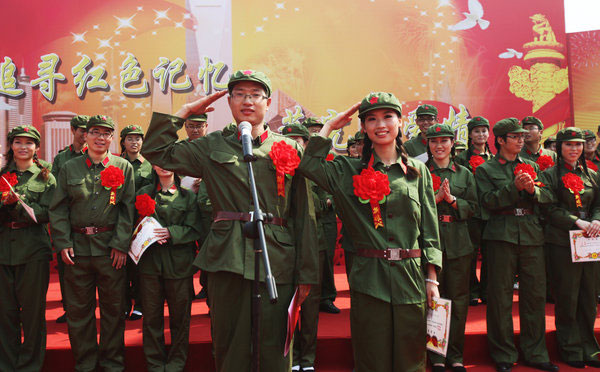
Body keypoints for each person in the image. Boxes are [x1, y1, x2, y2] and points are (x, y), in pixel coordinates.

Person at [141, 69, 318, 371]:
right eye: (239, 94)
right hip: (227, 257)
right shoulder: (212, 145)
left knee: (276, 349)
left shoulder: (289, 148)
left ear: (268, 102)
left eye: (255, 95)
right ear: (230, 101)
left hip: (277, 260)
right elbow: (158, 151)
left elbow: (304, 216)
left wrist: (307, 274)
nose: (247, 101)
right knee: (230, 346)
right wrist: (184, 113)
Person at [298, 92, 442, 371]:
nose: (381, 124)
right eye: (371, 119)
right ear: (363, 128)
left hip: (410, 275)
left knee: (411, 358)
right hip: (368, 276)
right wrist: (329, 128)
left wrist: (432, 280)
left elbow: (429, 229)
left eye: (388, 116)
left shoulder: (418, 171)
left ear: (400, 122)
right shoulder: (346, 170)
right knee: (371, 358)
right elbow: (308, 165)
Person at [49, 115, 135, 372]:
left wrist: (121, 245)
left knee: (113, 311)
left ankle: (112, 364)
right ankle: (85, 365)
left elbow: (127, 209)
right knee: (78, 313)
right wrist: (62, 242)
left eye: (106, 133)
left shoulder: (123, 167)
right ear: (84, 136)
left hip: (110, 251)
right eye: (94, 132)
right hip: (77, 251)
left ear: (111, 138)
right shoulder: (69, 168)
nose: (100, 137)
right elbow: (58, 209)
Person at [475, 118, 557, 372]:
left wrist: (533, 192)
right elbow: (486, 201)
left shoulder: (532, 166)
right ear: (500, 140)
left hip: (531, 235)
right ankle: (503, 354)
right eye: (514, 136)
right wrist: (514, 188)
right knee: (500, 297)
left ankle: (536, 352)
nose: (521, 140)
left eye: (522, 136)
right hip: (501, 235)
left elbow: (548, 197)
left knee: (534, 296)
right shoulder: (485, 170)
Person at [540, 127, 600, 368]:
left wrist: (596, 220)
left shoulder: (593, 175)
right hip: (562, 242)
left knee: (588, 296)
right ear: (559, 148)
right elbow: (548, 209)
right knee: (567, 296)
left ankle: (590, 348)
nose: (574, 149)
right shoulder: (549, 175)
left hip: (589, 240)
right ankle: (571, 348)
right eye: (569, 145)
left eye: (578, 145)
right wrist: (576, 221)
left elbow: (598, 203)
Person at [0, 125, 56, 371]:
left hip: (33, 250)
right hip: (3, 250)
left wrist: (18, 206)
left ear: (37, 148)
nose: (23, 147)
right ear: (10, 146)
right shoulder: (1, 175)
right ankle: (8, 364)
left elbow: (49, 213)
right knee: (5, 314)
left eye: (29, 143)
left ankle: (31, 366)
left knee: (33, 315)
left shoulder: (45, 176)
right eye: (18, 142)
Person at [135, 165, 202, 371]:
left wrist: (171, 232)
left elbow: (195, 228)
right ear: (153, 166)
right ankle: (155, 364)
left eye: (168, 163)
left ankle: (175, 364)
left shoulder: (188, 197)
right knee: (152, 318)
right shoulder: (143, 193)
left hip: (179, 265)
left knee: (180, 319)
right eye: (159, 163)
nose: (163, 167)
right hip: (150, 264)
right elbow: (132, 223)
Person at [424, 123, 478, 372]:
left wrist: (454, 201)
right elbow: (411, 208)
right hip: (430, 241)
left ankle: (455, 355)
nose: (439, 146)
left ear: (452, 144)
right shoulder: (420, 171)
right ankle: (436, 354)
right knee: (434, 299)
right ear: (428, 144)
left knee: (458, 300)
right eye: (434, 141)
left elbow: (475, 208)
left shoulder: (464, 173)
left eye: (444, 141)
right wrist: (434, 201)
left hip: (458, 241)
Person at [282, 123, 325, 372]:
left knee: (309, 306)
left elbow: (323, 203)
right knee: (286, 305)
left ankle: (307, 359)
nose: (295, 144)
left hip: (313, 245)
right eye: (290, 140)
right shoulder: (277, 169)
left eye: (299, 140)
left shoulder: (316, 171)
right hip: (285, 246)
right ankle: (291, 358)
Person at [51, 114, 89, 324]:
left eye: (88, 130)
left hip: (90, 219)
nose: (84, 134)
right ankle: (69, 308)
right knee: (67, 269)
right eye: (81, 130)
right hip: (68, 219)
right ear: (73, 130)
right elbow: (57, 192)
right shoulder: (61, 158)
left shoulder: (95, 154)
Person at [454, 116, 494, 306]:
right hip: (471, 214)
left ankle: (487, 290)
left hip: (491, 213)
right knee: (469, 255)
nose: (481, 134)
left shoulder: (494, 157)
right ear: (470, 134)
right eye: (477, 131)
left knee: (490, 254)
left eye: (484, 131)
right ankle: (471, 291)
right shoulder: (461, 159)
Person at [303, 117, 339, 314]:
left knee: (326, 258)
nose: (316, 134)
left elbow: (337, 186)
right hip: (307, 216)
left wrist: (330, 201)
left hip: (326, 217)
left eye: (319, 130)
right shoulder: (299, 158)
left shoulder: (331, 158)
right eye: (312, 131)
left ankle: (327, 297)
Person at [120, 124, 152, 321]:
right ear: (123, 142)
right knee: (121, 268)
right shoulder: (115, 163)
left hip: (143, 224)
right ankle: (124, 305)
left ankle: (140, 304)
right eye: (130, 138)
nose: (134, 142)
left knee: (141, 267)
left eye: (138, 138)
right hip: (121, 222)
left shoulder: (150, 164)